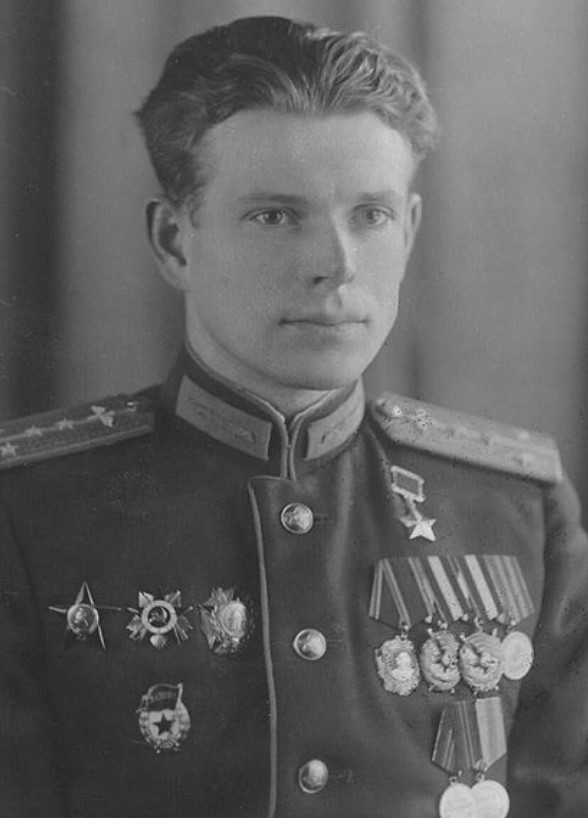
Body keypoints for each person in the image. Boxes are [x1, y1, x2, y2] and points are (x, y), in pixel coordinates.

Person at [0, 15, 587, 818]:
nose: (335, 266)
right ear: (174, 242)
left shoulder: (516, 509)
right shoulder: (27, 512)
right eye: (276, 215)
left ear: (410, 231)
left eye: (370, 215)